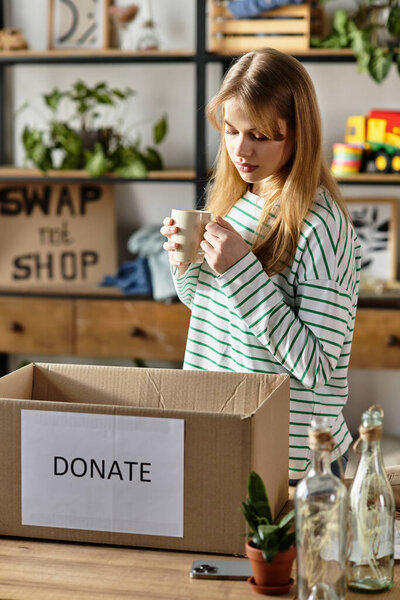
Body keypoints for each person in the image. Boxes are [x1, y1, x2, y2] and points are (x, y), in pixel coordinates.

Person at [161, 47, 361, 483]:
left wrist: (239, 271)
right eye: (231, 131)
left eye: (261, 135)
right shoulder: (240, 199)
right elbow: (210, 311)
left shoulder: (322, 226)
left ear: (299, 134)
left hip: (295, 468)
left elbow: (316, 366)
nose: (240, 149)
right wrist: (185, 263)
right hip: (225, 441)